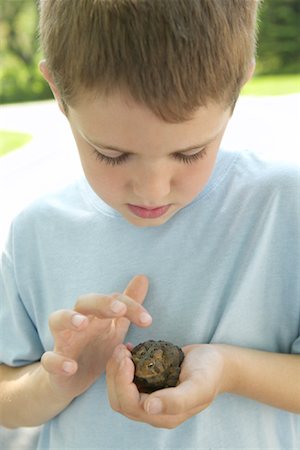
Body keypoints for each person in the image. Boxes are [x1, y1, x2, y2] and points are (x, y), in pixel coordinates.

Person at [0, 0, 299, 448]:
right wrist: (58, 380)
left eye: (190, 152)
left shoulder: (284, 208)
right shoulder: (35, 233)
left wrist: (230, 369)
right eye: (112, 154)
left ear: (238, 90)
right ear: (59, 94)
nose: (152, 191)